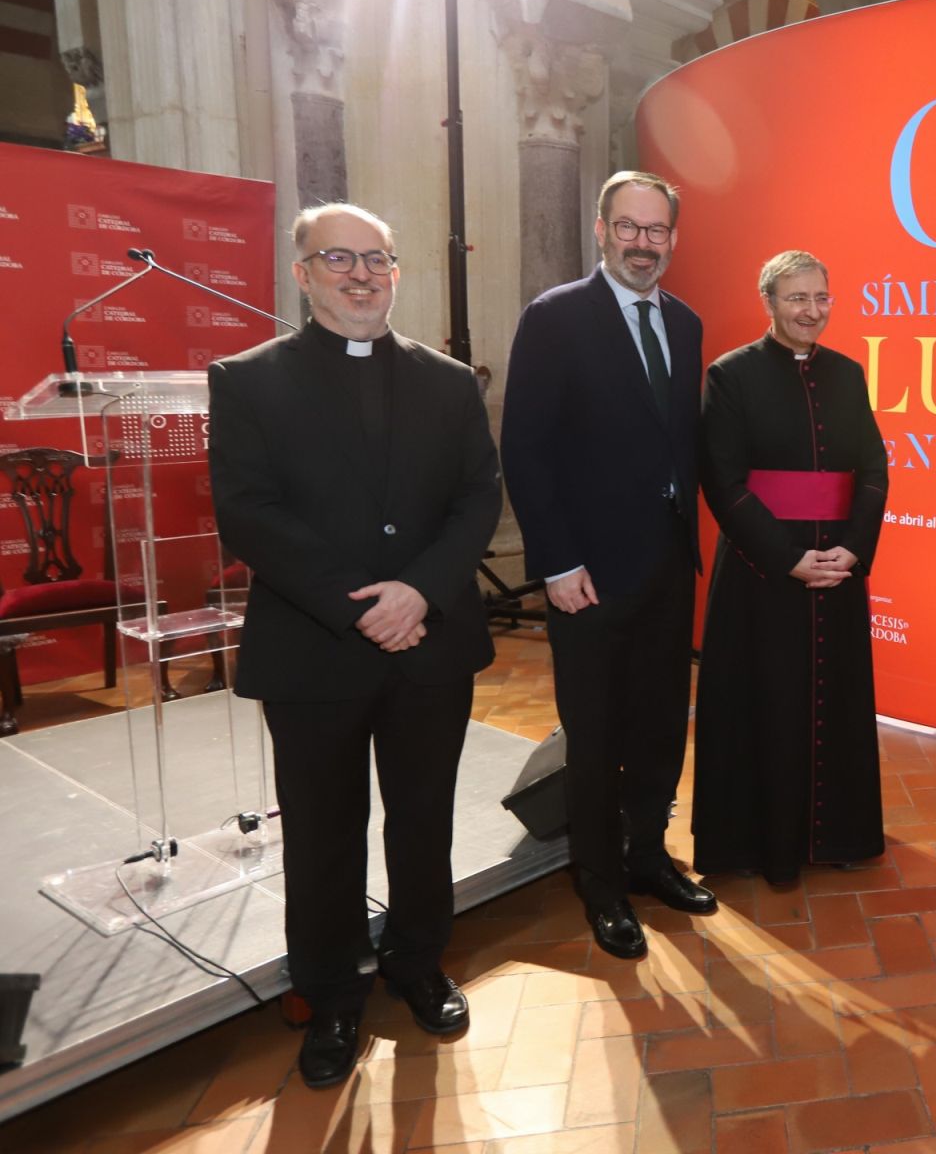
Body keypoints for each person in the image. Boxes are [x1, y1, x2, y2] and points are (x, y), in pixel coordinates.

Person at [207, 202, 501, 1089]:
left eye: (378, 258)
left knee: (423, 820)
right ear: (302, 274)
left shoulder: (450, 382)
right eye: (339, 258)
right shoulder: (248, 380)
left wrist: (418, 591)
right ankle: (331, 996)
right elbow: (247, 512)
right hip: (312, 651)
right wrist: (360, 604)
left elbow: (477, 500)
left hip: (431, 640)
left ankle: (418, 963)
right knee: (324, 834)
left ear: (396, 272)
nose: (362, 273)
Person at [500, 171, 713, 964]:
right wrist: (554, 561)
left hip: (665, 564)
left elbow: (676, 444)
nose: (643, 243)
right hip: (584, 574)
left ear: (672, 240)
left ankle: (648, 855)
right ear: (600, 229)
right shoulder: (555, 317)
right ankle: (599, 883)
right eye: (629, 227)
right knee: (595, 736)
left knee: (660, 726)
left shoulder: (686, 323)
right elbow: (525, 448)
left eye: (657, 231)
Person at [692, 251, 888, 883]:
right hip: (762, 569)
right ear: (769, 303)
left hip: (836, 563)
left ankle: (837, 835)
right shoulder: (731, 374)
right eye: (797, 298)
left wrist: (852, 549)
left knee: (836, 700)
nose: (811, 311)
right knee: (764, 700)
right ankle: (763, 846)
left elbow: (874, 471)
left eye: (821, 298)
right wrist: (787, 559)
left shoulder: (849, 373)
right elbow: (722, 483)